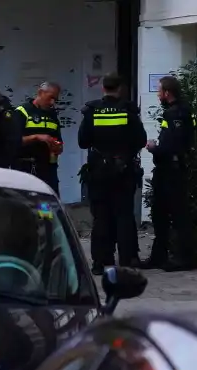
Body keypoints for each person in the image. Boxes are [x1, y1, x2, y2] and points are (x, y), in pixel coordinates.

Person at [78, 73, 147, 273]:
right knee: (124, 214)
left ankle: (101, 261)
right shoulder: (128, 110)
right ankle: (129, 259)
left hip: (99, 171)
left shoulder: (91, 111)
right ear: (120, 88)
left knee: (101, 216)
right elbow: (141, 140)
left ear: (103, 88)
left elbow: (83, 142)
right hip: (124, 170)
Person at [146, 75, 197, 271]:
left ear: (167, 93)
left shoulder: (174, 114)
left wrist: (153, 148)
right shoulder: (184, 110)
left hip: (171, 171)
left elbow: (171, 145)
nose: (158, 94)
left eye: (159, 91)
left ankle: (184, 258)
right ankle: (159, 256)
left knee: (176, 214)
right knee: (161, 213)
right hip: (174, 169)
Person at [14, 82, 64, 194]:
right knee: (26, 206)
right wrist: (36, 137)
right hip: (25, 170)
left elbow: (59, 141)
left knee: (47, 207)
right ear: (40, 92)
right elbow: (13, 142)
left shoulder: (52, 115)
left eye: (55, 99)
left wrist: (57, 146)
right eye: (50, 98)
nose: (52, 102)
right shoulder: (22, 112)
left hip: (48, 172)